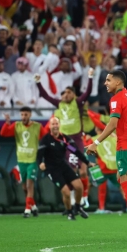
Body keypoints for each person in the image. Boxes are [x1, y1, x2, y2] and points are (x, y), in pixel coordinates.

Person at [86, 70, 127, 239]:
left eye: (108, 80)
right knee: (122, 178)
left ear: (117, 82)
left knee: (124, 180)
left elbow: (112, 124)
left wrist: (96, 142)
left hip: (126, 143)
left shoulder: (116, 99)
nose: (105, 83)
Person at [35, 68, 94, 208]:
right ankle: (72, 199)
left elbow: (88, 93)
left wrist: (90, 77)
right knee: (70, 170)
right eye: (64, 93)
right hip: (64, 141)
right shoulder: (59, 104)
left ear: (73, 94)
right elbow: (44, 95)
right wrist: (38, 82)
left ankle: (84, 197)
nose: (65, 94)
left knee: (84, 170)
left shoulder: (78, 103)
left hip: (77, 140)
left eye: (69, 92)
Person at [37, 117, 93, 221]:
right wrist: (40, 163)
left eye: (56, 123)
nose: (55, 126)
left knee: (79, 186)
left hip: (63, 166)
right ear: (49, 126)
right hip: (52, 169)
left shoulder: (64, 139)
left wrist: (87, 162)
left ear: (59, 125)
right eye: (53, 124)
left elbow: (75, 151)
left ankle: (77, 207)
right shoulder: (45, 140)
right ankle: (70, 212)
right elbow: (39, 155)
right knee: (66, 192)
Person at [0, 107, 47, 217]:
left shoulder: (37, 126)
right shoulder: (17, 125)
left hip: (32, 160)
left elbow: (46, 138)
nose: (23, 117)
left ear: (30, 115)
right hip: (21, 160)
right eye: (22, 115)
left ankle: (27, 210)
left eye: (25, 115)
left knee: (30, 184)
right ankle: (33, 206)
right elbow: (4, 133)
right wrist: (7, 123)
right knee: (24, 187)